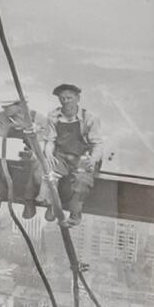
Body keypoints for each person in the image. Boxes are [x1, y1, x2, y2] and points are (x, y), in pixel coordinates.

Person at [45, 82, 105, 228]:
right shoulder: (53, 116)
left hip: (83, 157)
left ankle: (75, 214)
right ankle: (53, 205)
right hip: (62, 156)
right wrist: (48, 153)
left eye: (69, 98)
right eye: (62, 98)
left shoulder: (89, 118)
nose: (65, 102)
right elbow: (50, 139)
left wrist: (93, 159)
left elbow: (98, 144)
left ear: (78, 98)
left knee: (82, 180)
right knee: (48, 172)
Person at [0, 95, 43, 220]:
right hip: (9, 149)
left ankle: (29, 200)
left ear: (20, 105)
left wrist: (30, 131)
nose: (4, 108)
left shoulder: (37, 117)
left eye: (8, 106)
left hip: (29, 152)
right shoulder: (1, 117)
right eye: (3, 106)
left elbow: (41, 142)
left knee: (33, 164)